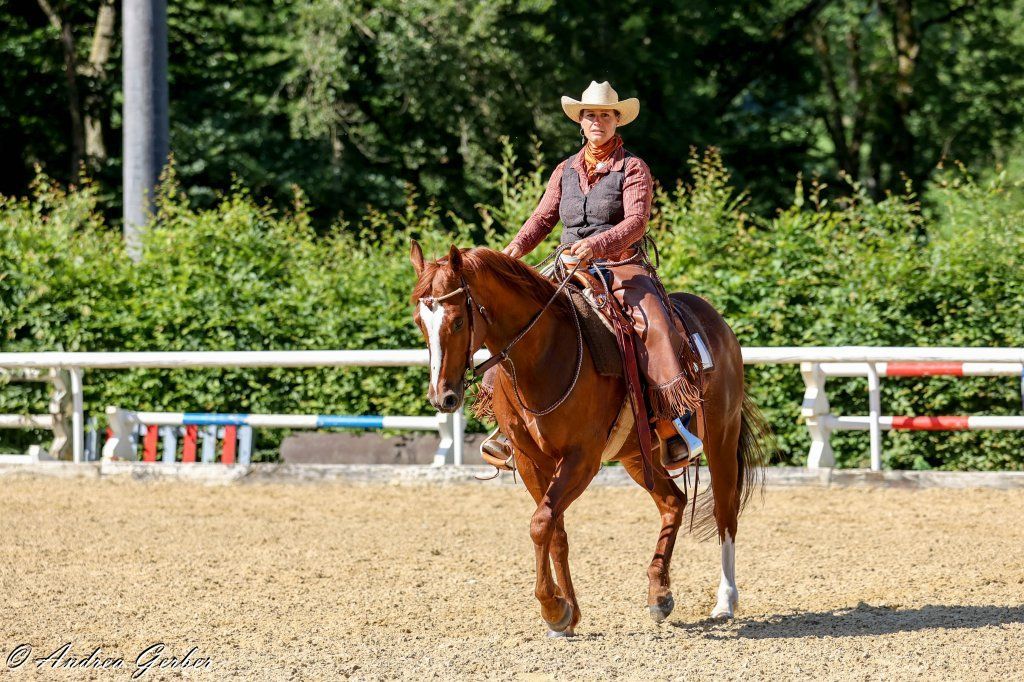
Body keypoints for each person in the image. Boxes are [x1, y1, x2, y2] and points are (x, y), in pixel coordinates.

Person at [480, 80, 702, 469]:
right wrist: (513, 251)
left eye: (604, 115)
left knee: (653, 324)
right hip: (566, 264)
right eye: (590, 115)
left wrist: (597, 246)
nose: (597, 121)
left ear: (617, 121)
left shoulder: (633, 167)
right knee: (516, 319)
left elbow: (636, 221)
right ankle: (508, 425)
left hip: (620, 265)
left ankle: (670, 424)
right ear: (580, 122)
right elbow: (543, 218)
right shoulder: (564, 170)